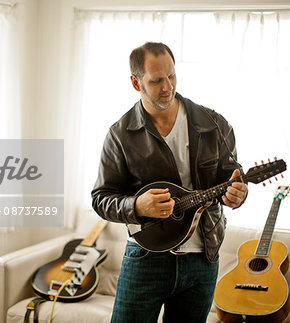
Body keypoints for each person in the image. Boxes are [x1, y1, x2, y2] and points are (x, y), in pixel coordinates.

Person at [91, 42, 248, 323]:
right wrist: (137, 205)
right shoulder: (120, 134)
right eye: (156, 80)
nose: (167, 87)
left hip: (203, 259)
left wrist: (238, 194)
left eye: (172, 76)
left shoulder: (214, 123)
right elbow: (101, 198)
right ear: (135, 82)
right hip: (145, 257)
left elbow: (230, 178)